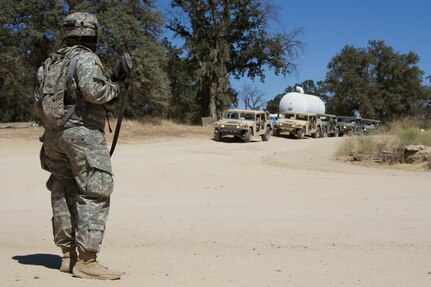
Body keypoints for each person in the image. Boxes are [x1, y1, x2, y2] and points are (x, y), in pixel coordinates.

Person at [35, 12, 130, 280]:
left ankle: (68, 257)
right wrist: (115, 86)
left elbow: (37, 100)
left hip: (53, 136)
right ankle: (87, 260)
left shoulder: (49, 63)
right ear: (92, 35)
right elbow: (93, 91)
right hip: (81, 134)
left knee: (63, 190)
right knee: (95, 191)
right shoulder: (85, 57)